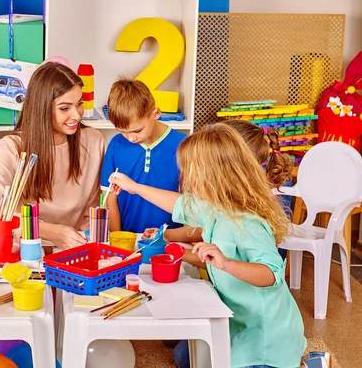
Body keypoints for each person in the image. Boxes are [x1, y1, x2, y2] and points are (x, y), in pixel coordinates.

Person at [109, 123, 306, 368]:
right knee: (185, 356)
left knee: (192, 357)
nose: (185, 179)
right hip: (234, 318)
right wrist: (134, 188)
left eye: (191, 172)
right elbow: (180, 205)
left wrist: (227, 263)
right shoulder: (217, 207)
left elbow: (271, 274)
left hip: (262, 338)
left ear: (217, 176)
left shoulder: (249, 223)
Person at [0, 62, 105, 250]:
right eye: (65, 108)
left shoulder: (94, 142)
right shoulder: (12, 147)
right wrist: (49, 231)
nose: (77, 115)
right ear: (42, 108)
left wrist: (85, 242)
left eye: (79, 104)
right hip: (25, 250)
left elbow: (93, 209)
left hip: (72, 251)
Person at [144, 119, 294, 243]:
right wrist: (167, 236)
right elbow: (194, 214)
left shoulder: (248, 219)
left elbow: (255, 270)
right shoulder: (227, 198)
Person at [101, 78, 185, 232]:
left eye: (137, 130)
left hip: (170, 241)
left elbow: (192, 206)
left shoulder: (184, 145)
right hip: (127, 240)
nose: (131, 138)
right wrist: (118, 240)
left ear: (155, 113)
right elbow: (110, 198)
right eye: (122, 131)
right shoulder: (116, 145)